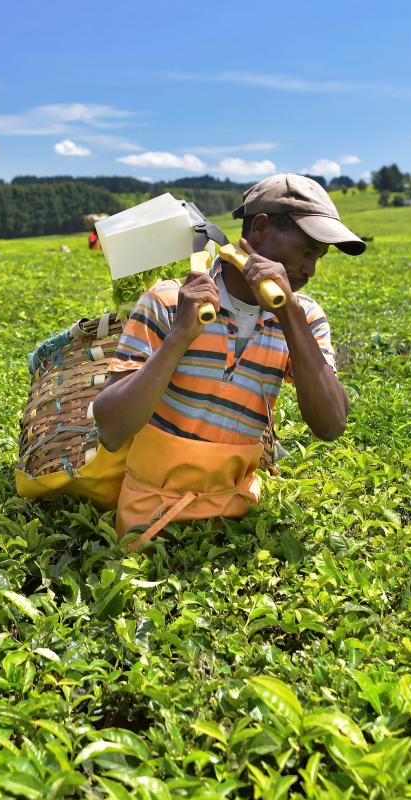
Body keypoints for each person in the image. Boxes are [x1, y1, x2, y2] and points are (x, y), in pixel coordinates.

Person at [92, 173, 365, 543]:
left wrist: (288, 316)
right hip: (150, 522)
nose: (311, 270)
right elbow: (111, 429)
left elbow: (331, 425)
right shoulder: (169, 302)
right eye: (306, 252)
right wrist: (180, 337)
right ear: (262, 227)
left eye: (319, 257)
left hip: (238, 524)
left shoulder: (305, 318)